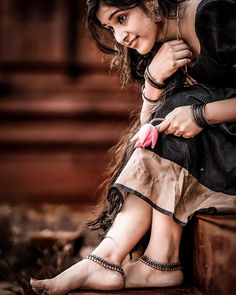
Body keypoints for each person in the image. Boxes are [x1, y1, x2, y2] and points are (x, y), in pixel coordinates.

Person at [30, 0, 236, 294]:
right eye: (110, 27)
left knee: (182, 107)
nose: (119, 36)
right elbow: (147, 132)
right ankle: (151, 262)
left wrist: (201, 115)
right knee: (170, 116)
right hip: (218, 153)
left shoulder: (216, 18)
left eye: (122, 18)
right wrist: (154, 79)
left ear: (152, 3)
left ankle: (114, 259)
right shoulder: (156, 44)